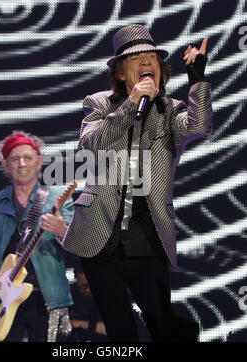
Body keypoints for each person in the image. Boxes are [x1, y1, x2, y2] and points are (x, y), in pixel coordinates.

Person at [62, 24, 213, 341]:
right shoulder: (99, 103)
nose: (147, 63)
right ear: (120, 73)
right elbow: (93, 145)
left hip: (147, 238)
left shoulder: (170, 111)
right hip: (100, 239)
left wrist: (198, 79)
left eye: (152, 58)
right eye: (137, 58)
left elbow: (200, 126)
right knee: (121, 333)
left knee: (162, 325)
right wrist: (131, 104)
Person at [0, 131, 74, 342]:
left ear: (39, 162)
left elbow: (80, 246)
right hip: (3, 301)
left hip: (47, 299)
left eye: (28, 157)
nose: (22, 164)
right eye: (15, 159)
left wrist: (62, 230)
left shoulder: (56, 198)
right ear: (5, 166)